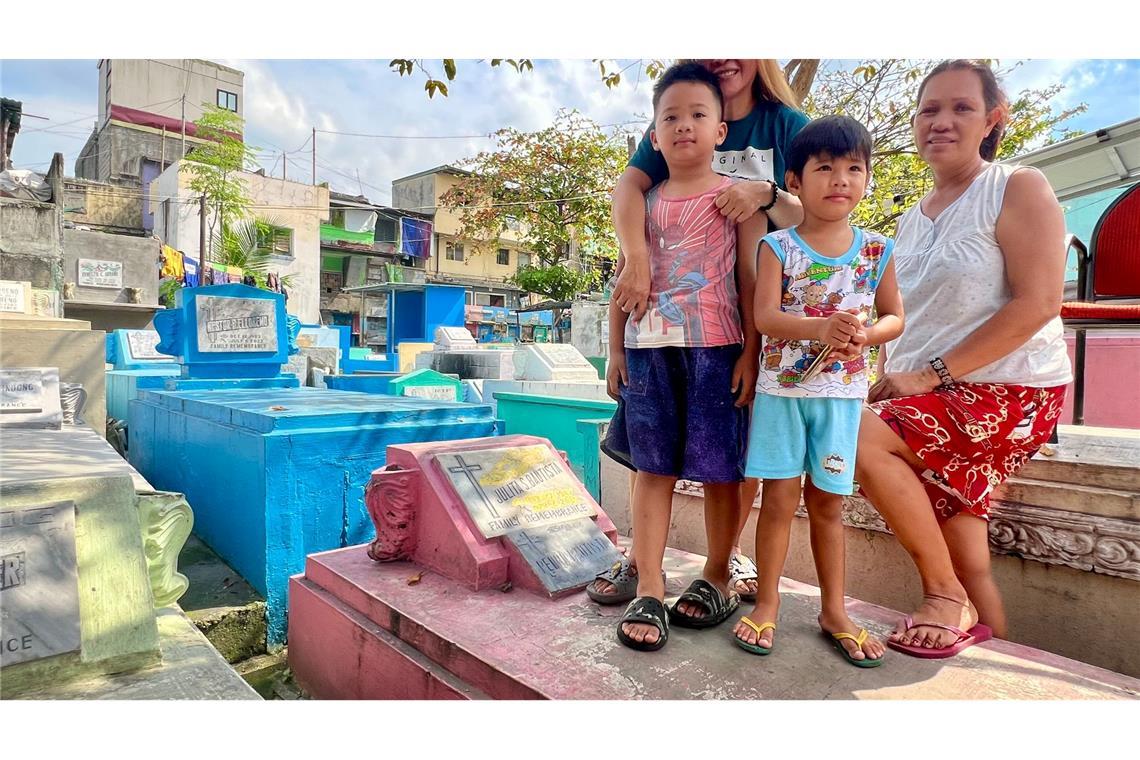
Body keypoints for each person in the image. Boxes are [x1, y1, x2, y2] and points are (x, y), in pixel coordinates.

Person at [855, 60, 1071, 658]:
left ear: (992, 120)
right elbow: (908, 318)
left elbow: (1039, 303)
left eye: (960, 108)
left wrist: (929, 376)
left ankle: (941, 596)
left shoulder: (1015, 187)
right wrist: (886, 375)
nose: (941, 122)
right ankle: (993, 640)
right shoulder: (907, 222)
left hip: (1012, 389)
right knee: (969, 550)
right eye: (929, 110)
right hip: (936, 396)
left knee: (855, 437)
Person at [591, 59, 809, 609]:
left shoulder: (740, 195)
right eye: (670, 117)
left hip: (718, 350)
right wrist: (616, 350)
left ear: (720, 131)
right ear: (654, 134)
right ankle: (647, 580)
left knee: (722, 471)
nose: (683, 124)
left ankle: (717, 573)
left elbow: (749, 282)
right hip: (649, 355)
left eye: (696, 115)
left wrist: (750, 355)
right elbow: (625, 273)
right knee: (651, 467)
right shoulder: (645, 201)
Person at [730, 116, 903, 666]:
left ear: (867, 179)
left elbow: (895, 317)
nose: (840, 179)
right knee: (777, 501)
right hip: (782, 396)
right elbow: (765, 316)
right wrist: (819, 327)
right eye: (824, 168)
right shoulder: (778, 247)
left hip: (841, 399)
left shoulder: (878, 249)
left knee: (829, 506)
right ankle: (768, 603)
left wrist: (868, 335)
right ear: (796, 181)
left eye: (854, 168)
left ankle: (835, 610)